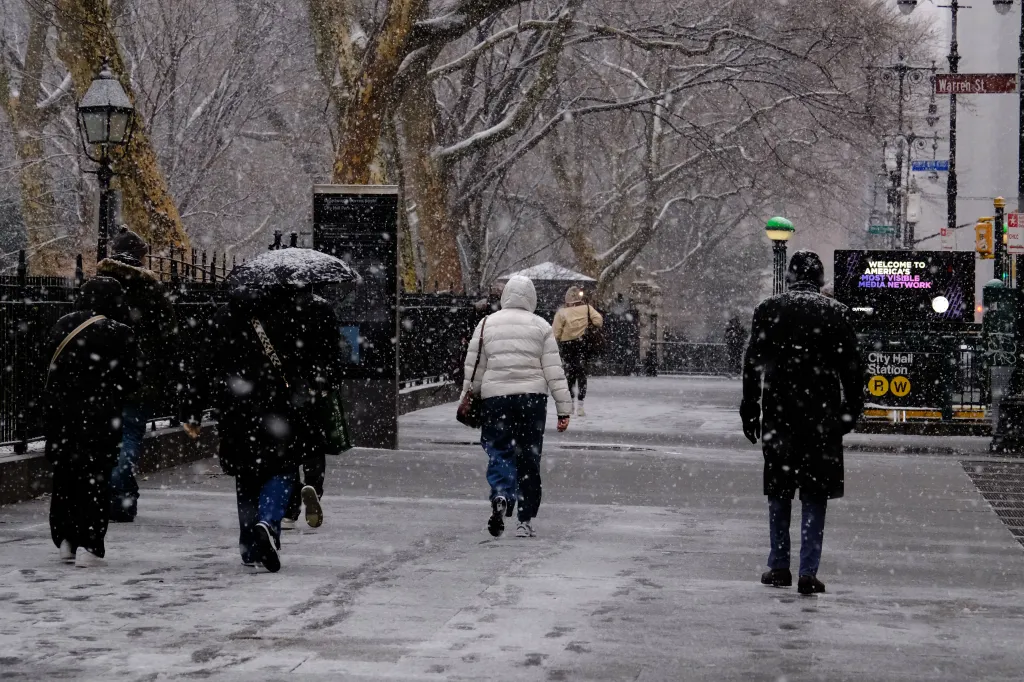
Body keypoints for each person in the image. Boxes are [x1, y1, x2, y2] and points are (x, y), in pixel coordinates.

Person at [183, 286, 342, 572]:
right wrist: (316, 387)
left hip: (235, 408)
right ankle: (268, 523)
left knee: (246, 475)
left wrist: (192, 409)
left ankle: (249, 548)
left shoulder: (224, 316)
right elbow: (312, 359)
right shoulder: (287, 314)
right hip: (280, 407)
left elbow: (204, 365)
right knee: (281, 469)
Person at [741, 249, 863, 596]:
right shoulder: (836, 313)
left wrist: (750, 407)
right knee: (814, 493)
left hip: (780, 412)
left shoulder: (768, 310)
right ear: (821, 279)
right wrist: (851, 409)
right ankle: (809, 570)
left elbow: (753, 364)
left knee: (779, 490)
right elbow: (852, 368)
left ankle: (779, 564)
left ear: (791, 277)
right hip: (821, 416)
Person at [462, 275, 573, 538]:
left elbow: (475, 368)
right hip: (531, 399)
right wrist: (563, 409)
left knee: (499, 450)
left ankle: (501, 493)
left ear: (505, 297)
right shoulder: (542, 326)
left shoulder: (487, 323)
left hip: (495, 399)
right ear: (532, 298)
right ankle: (525, 519)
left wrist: (467, 398)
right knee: (528, 457)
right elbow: (554, 371)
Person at [43, 277, 139, 568]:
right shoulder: (119, 333)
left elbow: (42, 366)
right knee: (95, 479)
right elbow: (131, 380)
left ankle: (66, 538)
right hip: (100, 418)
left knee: (65, 477)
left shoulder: (62, 326)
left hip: (61, 415)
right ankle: (90, 542)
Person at [97, 226, 178, 522]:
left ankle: (121, 500)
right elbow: (169, 335)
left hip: (102, 375)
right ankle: (119, 492)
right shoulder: (152, 290)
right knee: (130, 435)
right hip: (141, 375)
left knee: (107, 438)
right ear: (140, 257)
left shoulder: (99, 286)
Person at [281, 294, 346, 531]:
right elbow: (334, 350)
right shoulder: (322, 307)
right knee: (313, 443)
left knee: (286, 447)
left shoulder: (278, 308)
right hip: (315, 386)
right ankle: (314, 488)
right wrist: (331, 382)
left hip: (285, 386)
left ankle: (290, 506)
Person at [552, 286, 603, 416]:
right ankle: (580, 406)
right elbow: (598, 321)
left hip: (567, 346)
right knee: (582, 374)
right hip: (583, 344)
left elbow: (555, 333)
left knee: (569, 375)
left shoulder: (562, 312)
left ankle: (570, 405)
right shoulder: (587, 308)